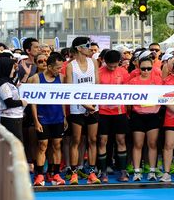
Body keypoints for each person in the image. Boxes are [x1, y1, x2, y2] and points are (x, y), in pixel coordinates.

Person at [65, 37, 101, 185]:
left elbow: (97, 83)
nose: (90, 47)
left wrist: (93, 103)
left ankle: (92, 172)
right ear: (79, 48)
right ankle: (74, 173)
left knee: (93, 140)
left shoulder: (93, 62)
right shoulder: (71, 66)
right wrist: (84, 104)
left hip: (93, 106)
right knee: (76, 140)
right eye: (87, 45)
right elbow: (69, 89)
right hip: (77, 107)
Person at [29, 52, 68, 186]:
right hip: (43, 117)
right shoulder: (36, 79)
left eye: (61, 67)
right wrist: (36, 121)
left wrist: (64, 117)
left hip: (57, 117)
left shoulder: (61, 78)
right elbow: (33, 102)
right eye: (58, 68)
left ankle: (56, 174)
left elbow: (63, 99)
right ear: (50, 67)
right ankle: (40, 175)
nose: (60, 70)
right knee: (42, 145)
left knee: (57, 145)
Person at [96, 49, 130, 183]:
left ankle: (123, 170)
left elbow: (129, 92)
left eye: (115, 66)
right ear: (105, 62)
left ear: (119, 62)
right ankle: (103, 171)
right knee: (102, 141)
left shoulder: (123, 72)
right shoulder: (99, 72)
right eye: (110, 66)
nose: (112, 68)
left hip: (120, 112)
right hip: (103, 112)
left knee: (121, 140)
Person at [128, 53, 163, 181]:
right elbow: (127, 99)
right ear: (138, 68)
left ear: (153, 67)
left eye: (149, 68)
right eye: (143, 69)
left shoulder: (158, 81)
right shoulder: (133, 82)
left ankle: (152, 171)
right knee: (138, 144)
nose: (146, 71)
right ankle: (137, 171)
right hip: (138, 115)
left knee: (152, 144)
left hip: (153, 115)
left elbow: (164, 96)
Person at [0, 56, 27, 142]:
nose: (14, 71)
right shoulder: (3, 84)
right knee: (15, 145)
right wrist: (22, 102)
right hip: (10, 119)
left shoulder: (6, 82)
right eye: (12, 68)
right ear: (6, 69)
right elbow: (9, 102)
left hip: (13, 118)